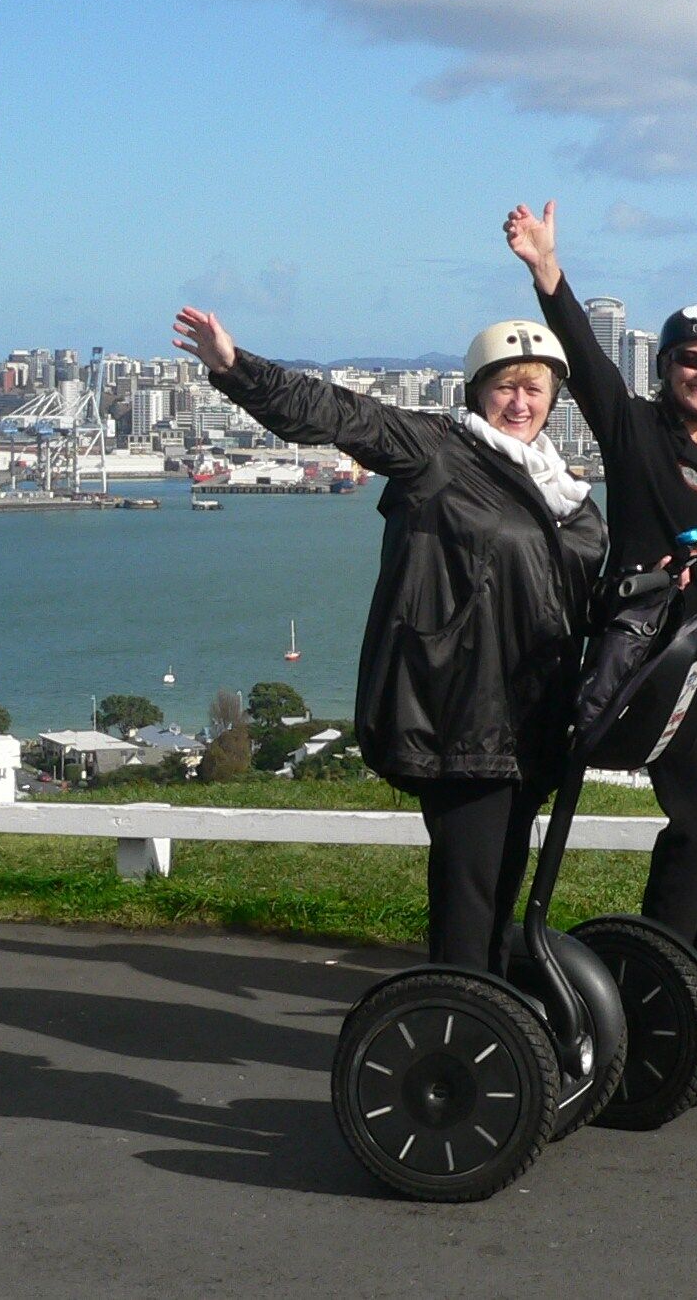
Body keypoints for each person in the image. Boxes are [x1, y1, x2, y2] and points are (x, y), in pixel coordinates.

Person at [172, 305, 604, 975]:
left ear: (553, 400)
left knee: (500, 888)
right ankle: (460, 1028)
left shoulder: (563, 488)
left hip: (534, 719)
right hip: (462, 715)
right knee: (469, 892)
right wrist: (237, 368)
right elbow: (339, 413)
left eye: (534, 389)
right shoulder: (438, 450)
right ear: (477, 390)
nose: (519, 402)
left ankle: (495, 1023)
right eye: (505, 386)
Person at [503, 199, 697, 990]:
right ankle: (656, 977)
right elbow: (588, 366)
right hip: (669, 662)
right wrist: (547, 272)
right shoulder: (636, 434)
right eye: (690, 360)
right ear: (666, 367)